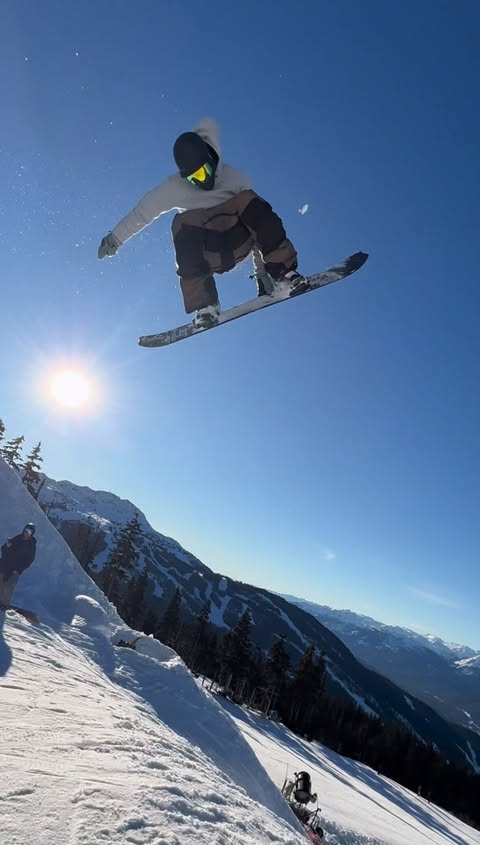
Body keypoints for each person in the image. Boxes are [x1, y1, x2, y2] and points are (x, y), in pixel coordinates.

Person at [98, 118, 307, 328]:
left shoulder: (236, 179)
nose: (201, 181)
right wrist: (115, 238)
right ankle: (205, 304)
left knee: (248, 200)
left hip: (238, 242)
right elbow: (143, 212)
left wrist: (262, 273)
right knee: (181, 222)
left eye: (202, 172)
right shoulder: (173, 188)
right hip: (210, 254)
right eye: (193, 179)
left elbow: (258, 226)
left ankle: (284, 273)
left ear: (211, 158)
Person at [0, 523, 37, 606]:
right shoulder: (17, 538)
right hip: (4, 565)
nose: (27, 532)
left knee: (9, 587)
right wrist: (6, 546)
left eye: (30, 531)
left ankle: (4, 605)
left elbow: (29, 560)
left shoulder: (31, 545)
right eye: (26, 530)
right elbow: (3, 549)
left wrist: (19, 570)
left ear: (32, 533)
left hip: (15, 570)